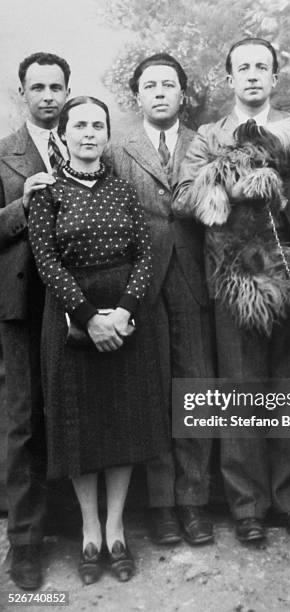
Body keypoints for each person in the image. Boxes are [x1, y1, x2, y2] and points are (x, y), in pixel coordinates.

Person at [174, 38, 290, 542]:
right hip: (234, 278)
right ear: (230, 78)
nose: (253, 76)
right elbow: (183, 198)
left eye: (262, 67)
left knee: (288, 389)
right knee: (240, 392)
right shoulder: (208, 135)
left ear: (275, 77)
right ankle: (247, 509)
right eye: (244, 68)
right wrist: (235, 188)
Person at [28, 96, 169, 583]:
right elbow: (46, 261)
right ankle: (89, 533)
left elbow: (145, 254)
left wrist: (126, 311)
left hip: (126, 319)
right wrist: (89, 318)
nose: (89, 133)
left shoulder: (123, 189)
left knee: (122, 423)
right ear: (63, 133)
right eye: (79, 125)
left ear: (107, 134)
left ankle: (116, 531)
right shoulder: (47, 191)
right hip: (70, 320)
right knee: (78, 428)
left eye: (97, 125)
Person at [109, 53, 215, 546]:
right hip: (140, 284)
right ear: (138, 95)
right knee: (152, 391)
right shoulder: (117, 150)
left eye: (168, 84)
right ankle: (162, 507)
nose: (158, 92)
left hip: (195, 281)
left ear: (182, 94)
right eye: (149, 85)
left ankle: (194, 502)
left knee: (194, 389)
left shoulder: (205, 143)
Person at [0, 52, 70, 590]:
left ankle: (69, 520)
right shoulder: (3, 154)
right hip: (21, 306)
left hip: (74, 304)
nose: (48, 96)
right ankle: (24, 542)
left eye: (56, 87)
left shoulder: (85, 142)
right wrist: (22, 203)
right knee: (22, 423)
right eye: (38, 87)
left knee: (70, 410)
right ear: (21, 92)